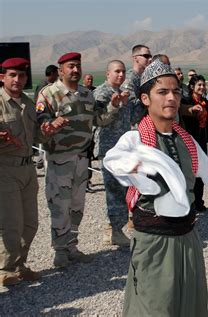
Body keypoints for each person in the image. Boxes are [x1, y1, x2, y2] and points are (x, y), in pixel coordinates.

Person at [102, 59, 208, 316]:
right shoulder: (135, 140)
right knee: (153, 308)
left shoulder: (187, 141)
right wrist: (142, 165)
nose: (171, 97)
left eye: (175, 91)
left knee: (191, 307)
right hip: (154, 244)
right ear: (146, 99)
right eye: (162, 92)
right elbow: (113, 161)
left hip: (190, 240)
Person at [36, 52, 122, 268]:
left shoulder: (86, 94)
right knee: (59, 205)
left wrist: (113, 106)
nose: (75, 70)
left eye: (78, 66)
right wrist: (49, 126)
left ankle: (72, 246)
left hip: (82, 159)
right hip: (59, 159)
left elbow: (99, 120)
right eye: (71, 66)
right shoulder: (49, 94)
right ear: (61, 69)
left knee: (77, 206)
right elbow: (40, 127)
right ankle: (60, 250)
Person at [0, 58, 59, 286]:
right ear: (2, 77)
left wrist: (49, 130)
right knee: (11, 222)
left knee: (30, 223)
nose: (17, 80)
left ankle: (20, 264)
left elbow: (37, 138)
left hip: (28, 169)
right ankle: (5, 269)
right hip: (5, 169)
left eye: (22, 75)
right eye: (12, 75)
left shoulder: (28, 103)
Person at [93, 60, 131, 247]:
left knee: (120, 189)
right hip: (108, 149)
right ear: (108, 73)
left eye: (123, 71)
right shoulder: (103, 93)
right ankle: (114, 230)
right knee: (114, 191)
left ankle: (113, 229)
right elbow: (100, 120)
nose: (121, 75)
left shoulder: (122, 93)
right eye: (117, 71)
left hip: (121, 149)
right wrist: (115, 105)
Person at [181, 74, 208, 211]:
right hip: (189, 141)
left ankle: (199, 201)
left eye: (203, 85)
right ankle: (188, 202)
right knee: (189, 172)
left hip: (202, 139)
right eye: (199, 85)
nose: (202, 87)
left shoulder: (206, 102)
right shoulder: (186, 101)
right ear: (192, 87)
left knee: (201, 171)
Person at [121, 44, 152, 123]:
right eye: (146, 56)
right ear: (136, 58)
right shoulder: (130, 79)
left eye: (150, 56)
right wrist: (150, 99)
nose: (150, 59)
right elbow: (131, 115)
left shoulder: (144, 78)